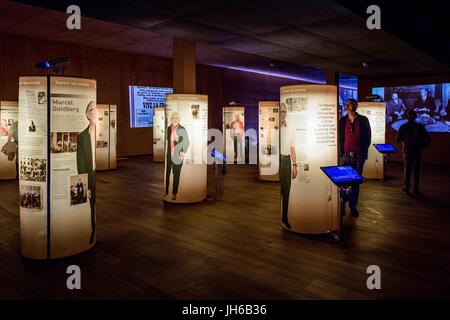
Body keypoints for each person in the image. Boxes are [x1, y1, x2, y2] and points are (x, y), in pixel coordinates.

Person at [338, 98, 372, 217]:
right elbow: (340, 138)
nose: (346, 107)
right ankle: (342, 205)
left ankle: (352, 206)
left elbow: (368, 138)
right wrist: (341, 153)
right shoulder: (342, 121)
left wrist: (362, 153)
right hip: (345, 157)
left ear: (355, 106)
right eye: (346, 105)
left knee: (355, 183)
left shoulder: (363, 120)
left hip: (358, 157)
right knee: (343, 182)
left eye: (349, 105)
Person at [396, 110, 431, 195]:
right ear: (415, 117)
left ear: (407, 117)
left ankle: (406, 187)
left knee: (407, 169)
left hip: (407, 150)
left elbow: (397, 140)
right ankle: (415, 189)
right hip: (417, 151)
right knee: (416, 170)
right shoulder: (420, 127)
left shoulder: (403, 127)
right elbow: (428, 139)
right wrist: (421, 147)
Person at [77, 101, 96, 245]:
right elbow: (81, 162)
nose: (95, 112)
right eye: (91, 110)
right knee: (92, 205)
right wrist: (85, 184)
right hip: (91, 174)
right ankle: (93, 231)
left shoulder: (102, 131)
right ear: (87, 114)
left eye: (96, 109)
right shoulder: (82, 136)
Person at [165, 112, 190, 201]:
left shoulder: (182, 129)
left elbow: (187, 142)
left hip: (178, 157)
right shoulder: (168, 129)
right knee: (167, 174)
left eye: (176, 117)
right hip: (169, 156)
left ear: (179, 119)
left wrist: (183, 151)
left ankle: (174, 193)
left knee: (176, 175)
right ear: (171, 119)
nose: (174, 119)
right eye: (173, 117)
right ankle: (166, 191)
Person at [279, 103, 297, 229]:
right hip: (277, 161)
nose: (283, 114)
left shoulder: (291, 126)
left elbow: (292, 147)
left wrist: (294, 165)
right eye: (281, 111)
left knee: (286, 191)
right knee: (279, 191)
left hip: (286, 161)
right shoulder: (275, 127)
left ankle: (284, 218)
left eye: (284, 111)